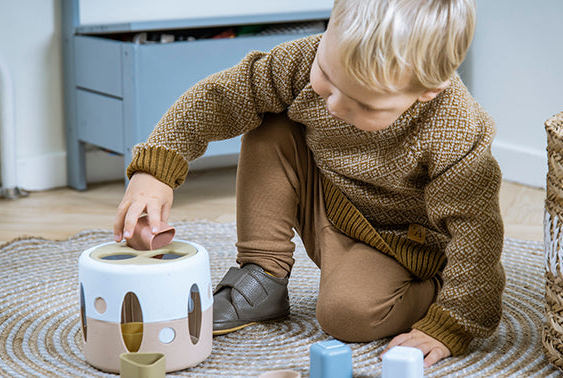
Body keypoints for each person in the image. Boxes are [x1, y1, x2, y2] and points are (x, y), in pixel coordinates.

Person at [114, 0, 504, 368]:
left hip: (398, 244)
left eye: (363, 105)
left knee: (346, 316)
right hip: (329, 198)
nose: (333, 106)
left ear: (426, 92)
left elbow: (477, 234)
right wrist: (157, 170)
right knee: (269, 121)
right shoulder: (301, 60)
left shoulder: (456, 130)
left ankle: (433, 289)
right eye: (327, 78)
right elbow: (219, 97)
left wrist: (453, 320)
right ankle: (262, 272)